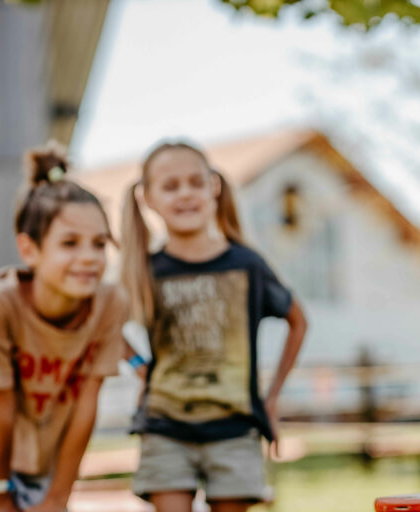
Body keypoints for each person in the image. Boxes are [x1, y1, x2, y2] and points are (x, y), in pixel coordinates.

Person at [121, 141, 307, 512]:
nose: (185, 193)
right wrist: (141, 369)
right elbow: (101, 324)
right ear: (148, 198)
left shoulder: (247, 264)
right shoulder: (144, 269)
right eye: (170, 186)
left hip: (235, 429)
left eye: (195, 182)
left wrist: (270, 399)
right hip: (165, 427)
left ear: (214, 188)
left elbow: (298, 322)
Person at [0, 143, 127, 512]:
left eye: (99, 243)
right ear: (29, 250)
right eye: (70, 243)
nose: (89, 258)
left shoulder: (110, 304)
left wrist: (60, 497)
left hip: (41, 467)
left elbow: (86, 404)